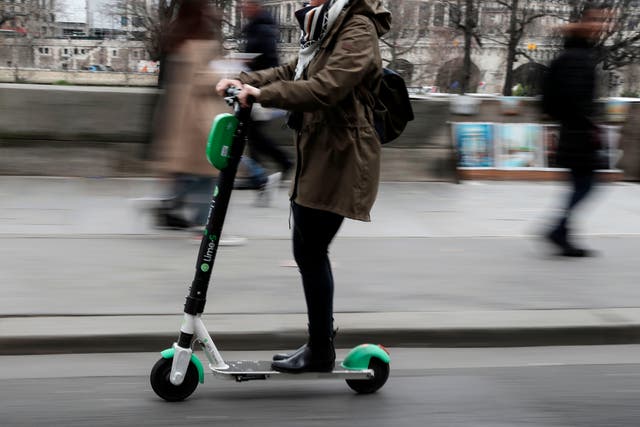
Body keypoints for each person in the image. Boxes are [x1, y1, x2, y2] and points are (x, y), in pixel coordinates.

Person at [217, 0, 390, 373]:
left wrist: (262, 95)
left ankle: (320, 349)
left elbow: (326, 88)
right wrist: (245, 81)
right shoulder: (323, 26)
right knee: (308, 250)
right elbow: (292, 70)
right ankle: (319, 346)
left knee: (311, 250)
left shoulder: (357, 27)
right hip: (320, 153)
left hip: (343, 158)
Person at [543, 1, 611, 257]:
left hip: (574, 130)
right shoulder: (577, 58)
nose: (599, 26)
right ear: (583, 23)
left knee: (581, 184)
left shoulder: (572, 55)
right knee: (587, 184)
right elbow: (574, 98)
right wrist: (587, 123)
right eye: (595, 21)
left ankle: (560, 230)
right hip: (579, 133)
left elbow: (552, 99)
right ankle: (558, 230)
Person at [151, 0, 226, 230]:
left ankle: (172, 206)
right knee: (207, 172)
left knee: (195, 173)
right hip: (199, 117)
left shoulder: (178, 35)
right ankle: (203, 223)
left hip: (183, 117)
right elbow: (199, 79)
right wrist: (227, 74)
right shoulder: (198, 40)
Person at [240, 0, 292, 206]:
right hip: (256, 85)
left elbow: (270, 60)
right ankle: (258, 177)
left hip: (260, 89)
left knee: (253, 134)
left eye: (245, 4)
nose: (242, 8)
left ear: (255, 6)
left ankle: (278, 165)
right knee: (252, 134)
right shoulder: (257, 27)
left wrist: (249, 63)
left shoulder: (263, 28)